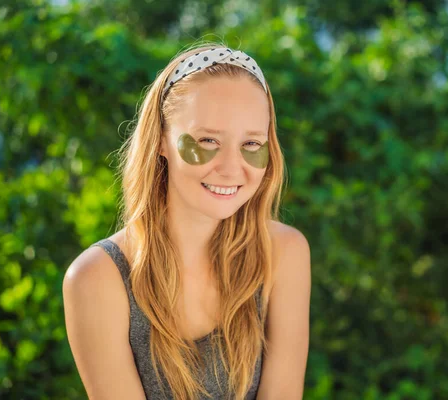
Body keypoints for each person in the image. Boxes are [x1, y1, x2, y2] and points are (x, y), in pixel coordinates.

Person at [62, 42, 311, 400]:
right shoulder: (97, 279)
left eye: (252, 144)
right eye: (207, 139)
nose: (230, 168)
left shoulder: (284, 253)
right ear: (161, 141)